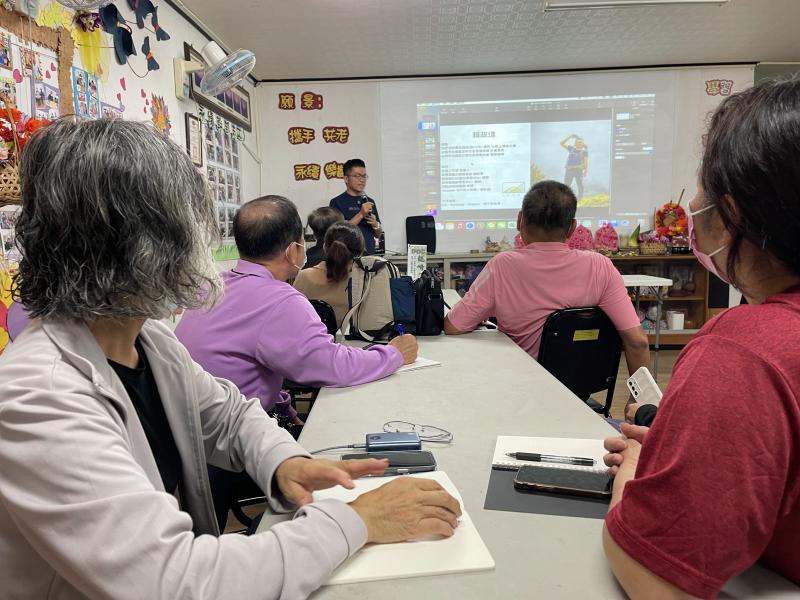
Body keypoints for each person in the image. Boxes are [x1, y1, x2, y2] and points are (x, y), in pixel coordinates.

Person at [0, 118, 461, 599]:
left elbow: (230, 413)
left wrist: (284, 462)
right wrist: (357, 522)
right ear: (139, 249)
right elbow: (178, 583)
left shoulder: (149, 341)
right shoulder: (40, 397)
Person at [602, 78, 800, 599]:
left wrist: (638, 471)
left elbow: (660, 580)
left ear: (731, 213)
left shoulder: (746, 350)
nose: (691, 205)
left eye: (701, 191)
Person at [176, 195, 417, 431]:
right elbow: (333, 366)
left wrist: (285, 410)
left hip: (194, 430)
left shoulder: (210, 286)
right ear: (294, 250)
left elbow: (245, 367)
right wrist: (393, 354)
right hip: (232, 442)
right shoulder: (281, 300)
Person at [444, 180, 650, 381]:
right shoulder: (601, 266)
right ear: (572, 228)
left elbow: (454, 326)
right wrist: (639, 405)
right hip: (581, 391)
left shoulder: (502, 266)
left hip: (520, 389)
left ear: (520, 221)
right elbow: (638, 342)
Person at [294, 220, 364, 328]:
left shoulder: (304, 276)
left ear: (325, 247)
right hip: (352, 343)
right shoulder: (365, 281)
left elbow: (294, 317)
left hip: (311, 342)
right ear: (360, 252)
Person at [329, 158, 382, 255]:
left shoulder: (369, 201)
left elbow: (378, 234)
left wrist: (375, 224)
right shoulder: (336, 202)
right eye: (357, 176)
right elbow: (338, 234)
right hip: (347, 257)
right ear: (346, 179)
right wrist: (361, 214)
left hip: (369, 255)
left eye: (364, 176)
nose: (362, 180)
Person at [560, 134, 588, 200]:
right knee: (566, 184)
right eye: (577, 142)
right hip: (569, 170)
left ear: (582, 143)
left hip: (578, 170)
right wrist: (569, 137)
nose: (579, 143)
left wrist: (585, 170)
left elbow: (586, 162)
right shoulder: (571, 148)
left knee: (579, 184)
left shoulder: (584, 152)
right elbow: (561, 143)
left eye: (580, 142)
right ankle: (565, 197)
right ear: (575, 143)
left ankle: (580, 198)